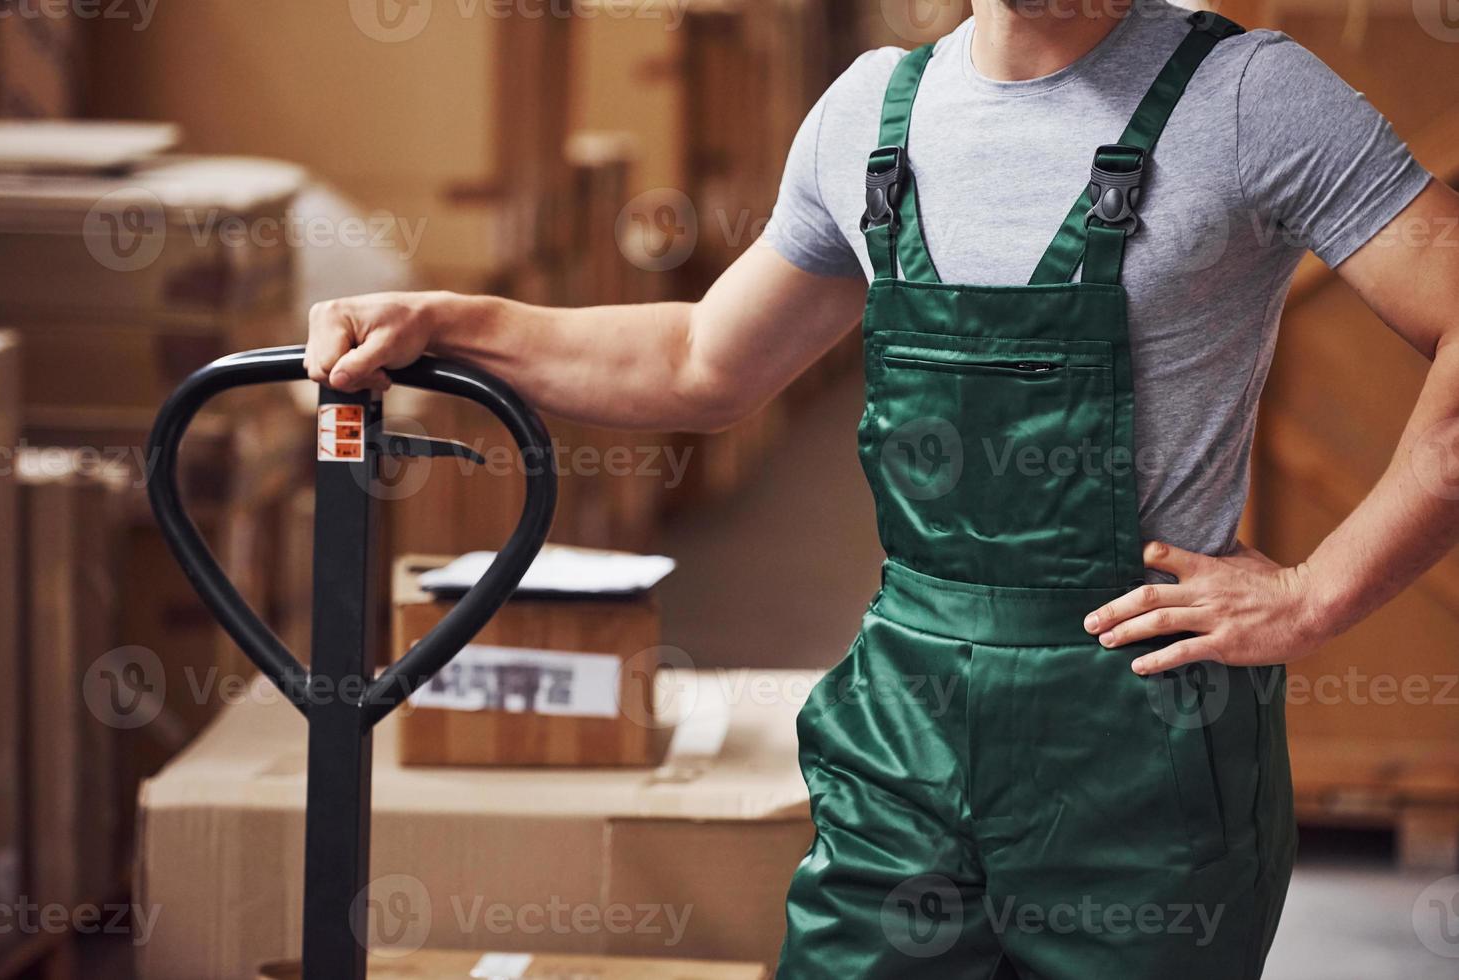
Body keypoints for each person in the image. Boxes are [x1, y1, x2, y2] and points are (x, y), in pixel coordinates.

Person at [305, 1, 1459, 975]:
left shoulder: (1249, 96)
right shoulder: (872, 112)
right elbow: (701, 361)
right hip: (902, 727)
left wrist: (1315, 596)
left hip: (1142, 742)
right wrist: (453, 321)